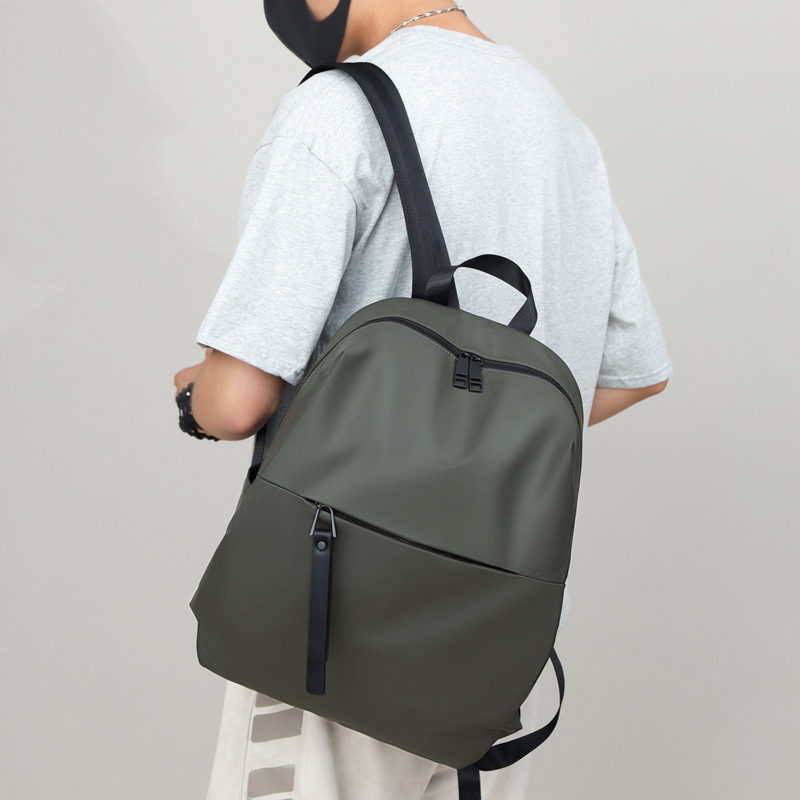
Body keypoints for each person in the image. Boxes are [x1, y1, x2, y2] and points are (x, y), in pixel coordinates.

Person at [173, 2, 672, 798]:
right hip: (493, 639)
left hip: (334, 631)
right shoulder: (559, 126)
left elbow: (235, 403)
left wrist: (196, 392)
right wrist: (476, 448)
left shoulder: (337, 109)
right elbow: (632, 371)